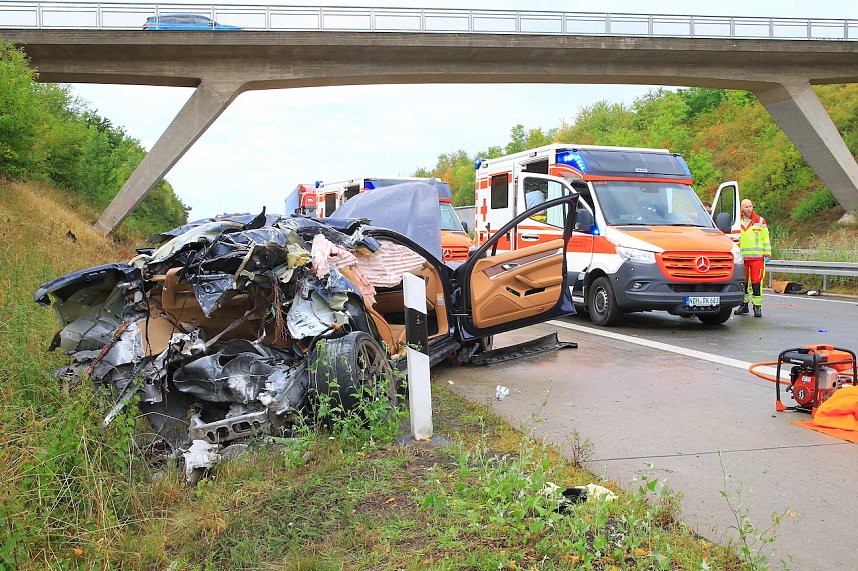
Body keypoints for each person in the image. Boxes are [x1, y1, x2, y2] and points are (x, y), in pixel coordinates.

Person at [734, 199, 771, 318]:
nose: (749, 209)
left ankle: (757, 306)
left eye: (750, 206)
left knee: (756, 282)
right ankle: (743, 305)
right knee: (743, 283)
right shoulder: (736, 221)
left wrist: (767, 254)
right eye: (746, 207)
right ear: (741, 208)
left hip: (757, 258)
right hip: (742, 258)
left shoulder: (760, 221)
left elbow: (766, 238)